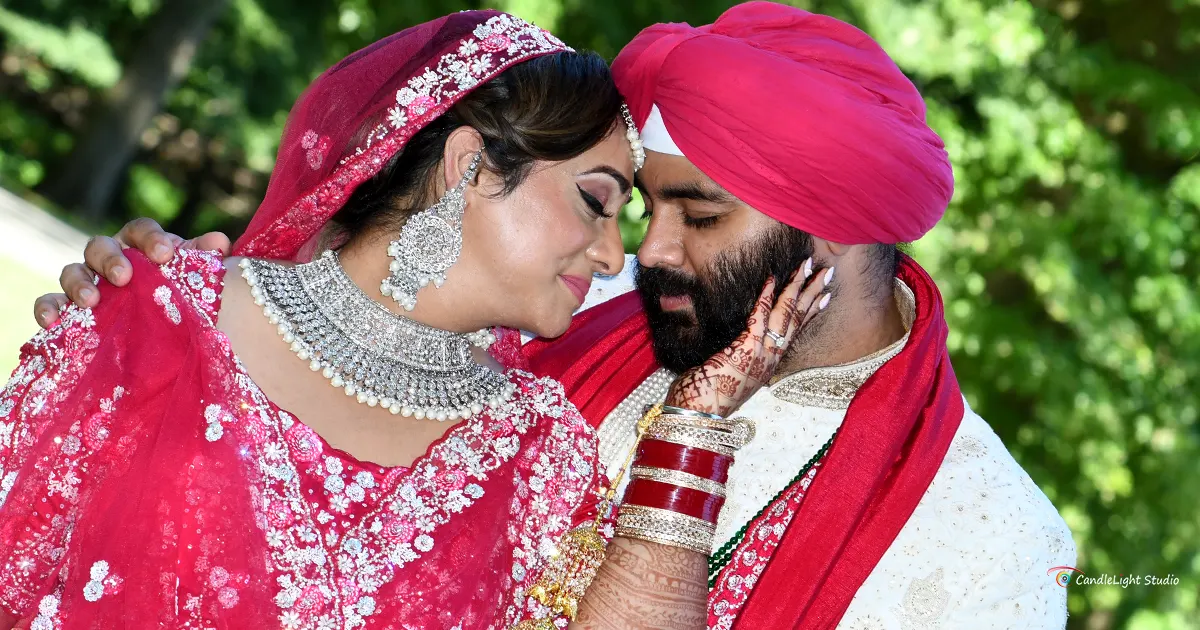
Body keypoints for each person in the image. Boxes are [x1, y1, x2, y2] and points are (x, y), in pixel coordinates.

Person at [33, 3, 1077, 629]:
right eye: (631, 206)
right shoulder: (595, 312)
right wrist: (154, 305)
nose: (645, 253)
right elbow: (362, 316)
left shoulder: (985, 538)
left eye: (697, 215)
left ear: (838, 233)